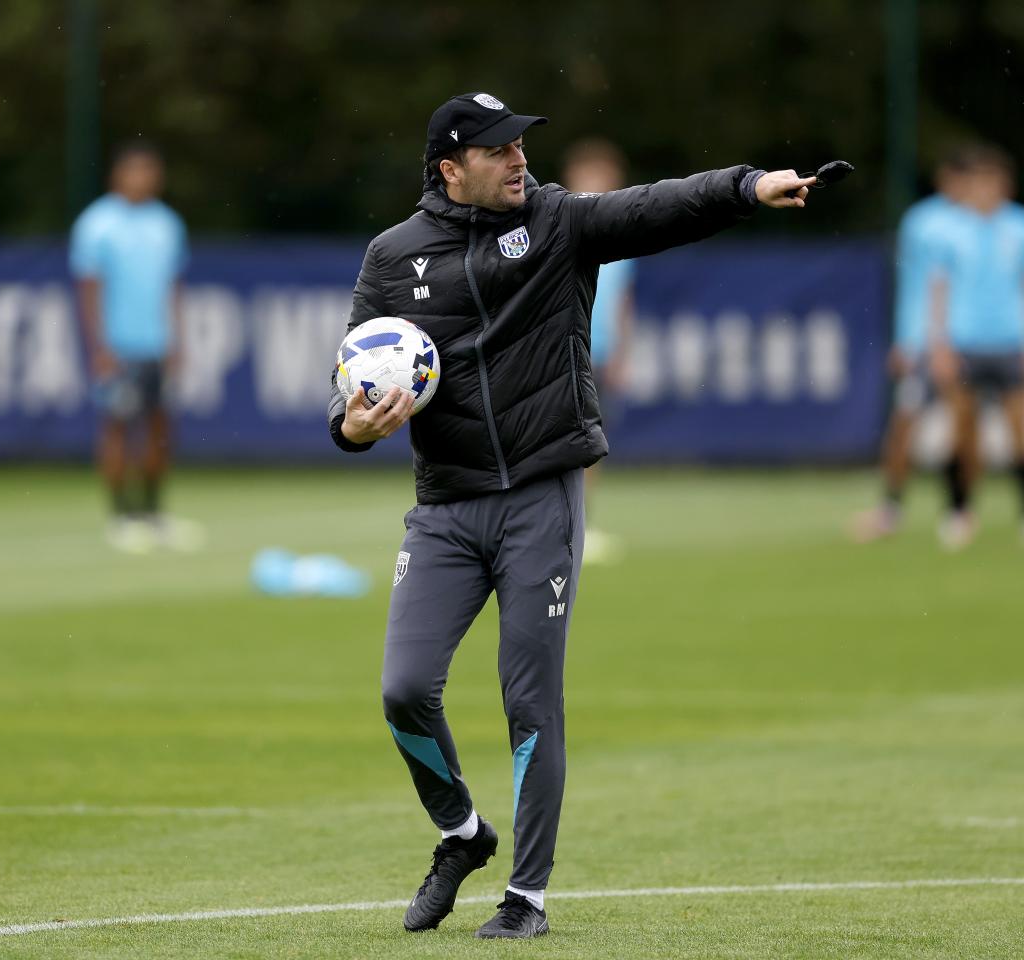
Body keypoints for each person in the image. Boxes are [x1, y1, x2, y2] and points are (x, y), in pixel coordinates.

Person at [327, 91, 818, 939]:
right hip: (443, 509)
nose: (520, 158)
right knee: (404, 690)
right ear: (451, 169)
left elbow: (656, 207)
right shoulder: (391, 256)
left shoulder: (556, 223)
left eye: (522, 144)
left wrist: (746, 187)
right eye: (499, 150)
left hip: (541, 500)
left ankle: (527, 896)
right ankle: (462, 834)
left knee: (530, 699)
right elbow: (351, 385)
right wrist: (350, 427)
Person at [70, 142, 201, 553]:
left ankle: (153, 513)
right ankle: (120, 517)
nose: (142, 179)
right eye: (134, 171)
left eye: (149, 171)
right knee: (118, 427)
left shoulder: (167, 224)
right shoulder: (97, 223)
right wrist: (99, 346)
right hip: (119, 345)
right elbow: (89, 289)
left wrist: (177, 340)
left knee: (160, 429)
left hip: (158, 344)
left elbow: (172, 288)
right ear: (117, 176)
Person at [850, 151, 971, 542]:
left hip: (974, 341)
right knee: (905, 424)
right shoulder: (924, 221)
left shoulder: (994, 222)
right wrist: (907, 339)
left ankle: (959, 510)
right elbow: (917, 285)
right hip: (925, 343)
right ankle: (892, 507)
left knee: (964, 427)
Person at [926, 144, 1024, 549]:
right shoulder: (951, 230)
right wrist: (939, 345)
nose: (986, 190)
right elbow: (939, 290)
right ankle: (960, 509)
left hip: (1010, 341)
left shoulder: (1018, 226)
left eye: (993, 182)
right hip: (965, 342)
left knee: (1020, 429)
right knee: (964, 432)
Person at [562, 139, 635, 564]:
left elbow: (624, 302)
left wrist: (623, 353)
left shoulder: (622, 233)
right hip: (564, 347)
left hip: (600, 353)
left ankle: (581, 526)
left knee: (592, 445)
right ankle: (565, 525)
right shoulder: (561, 225)